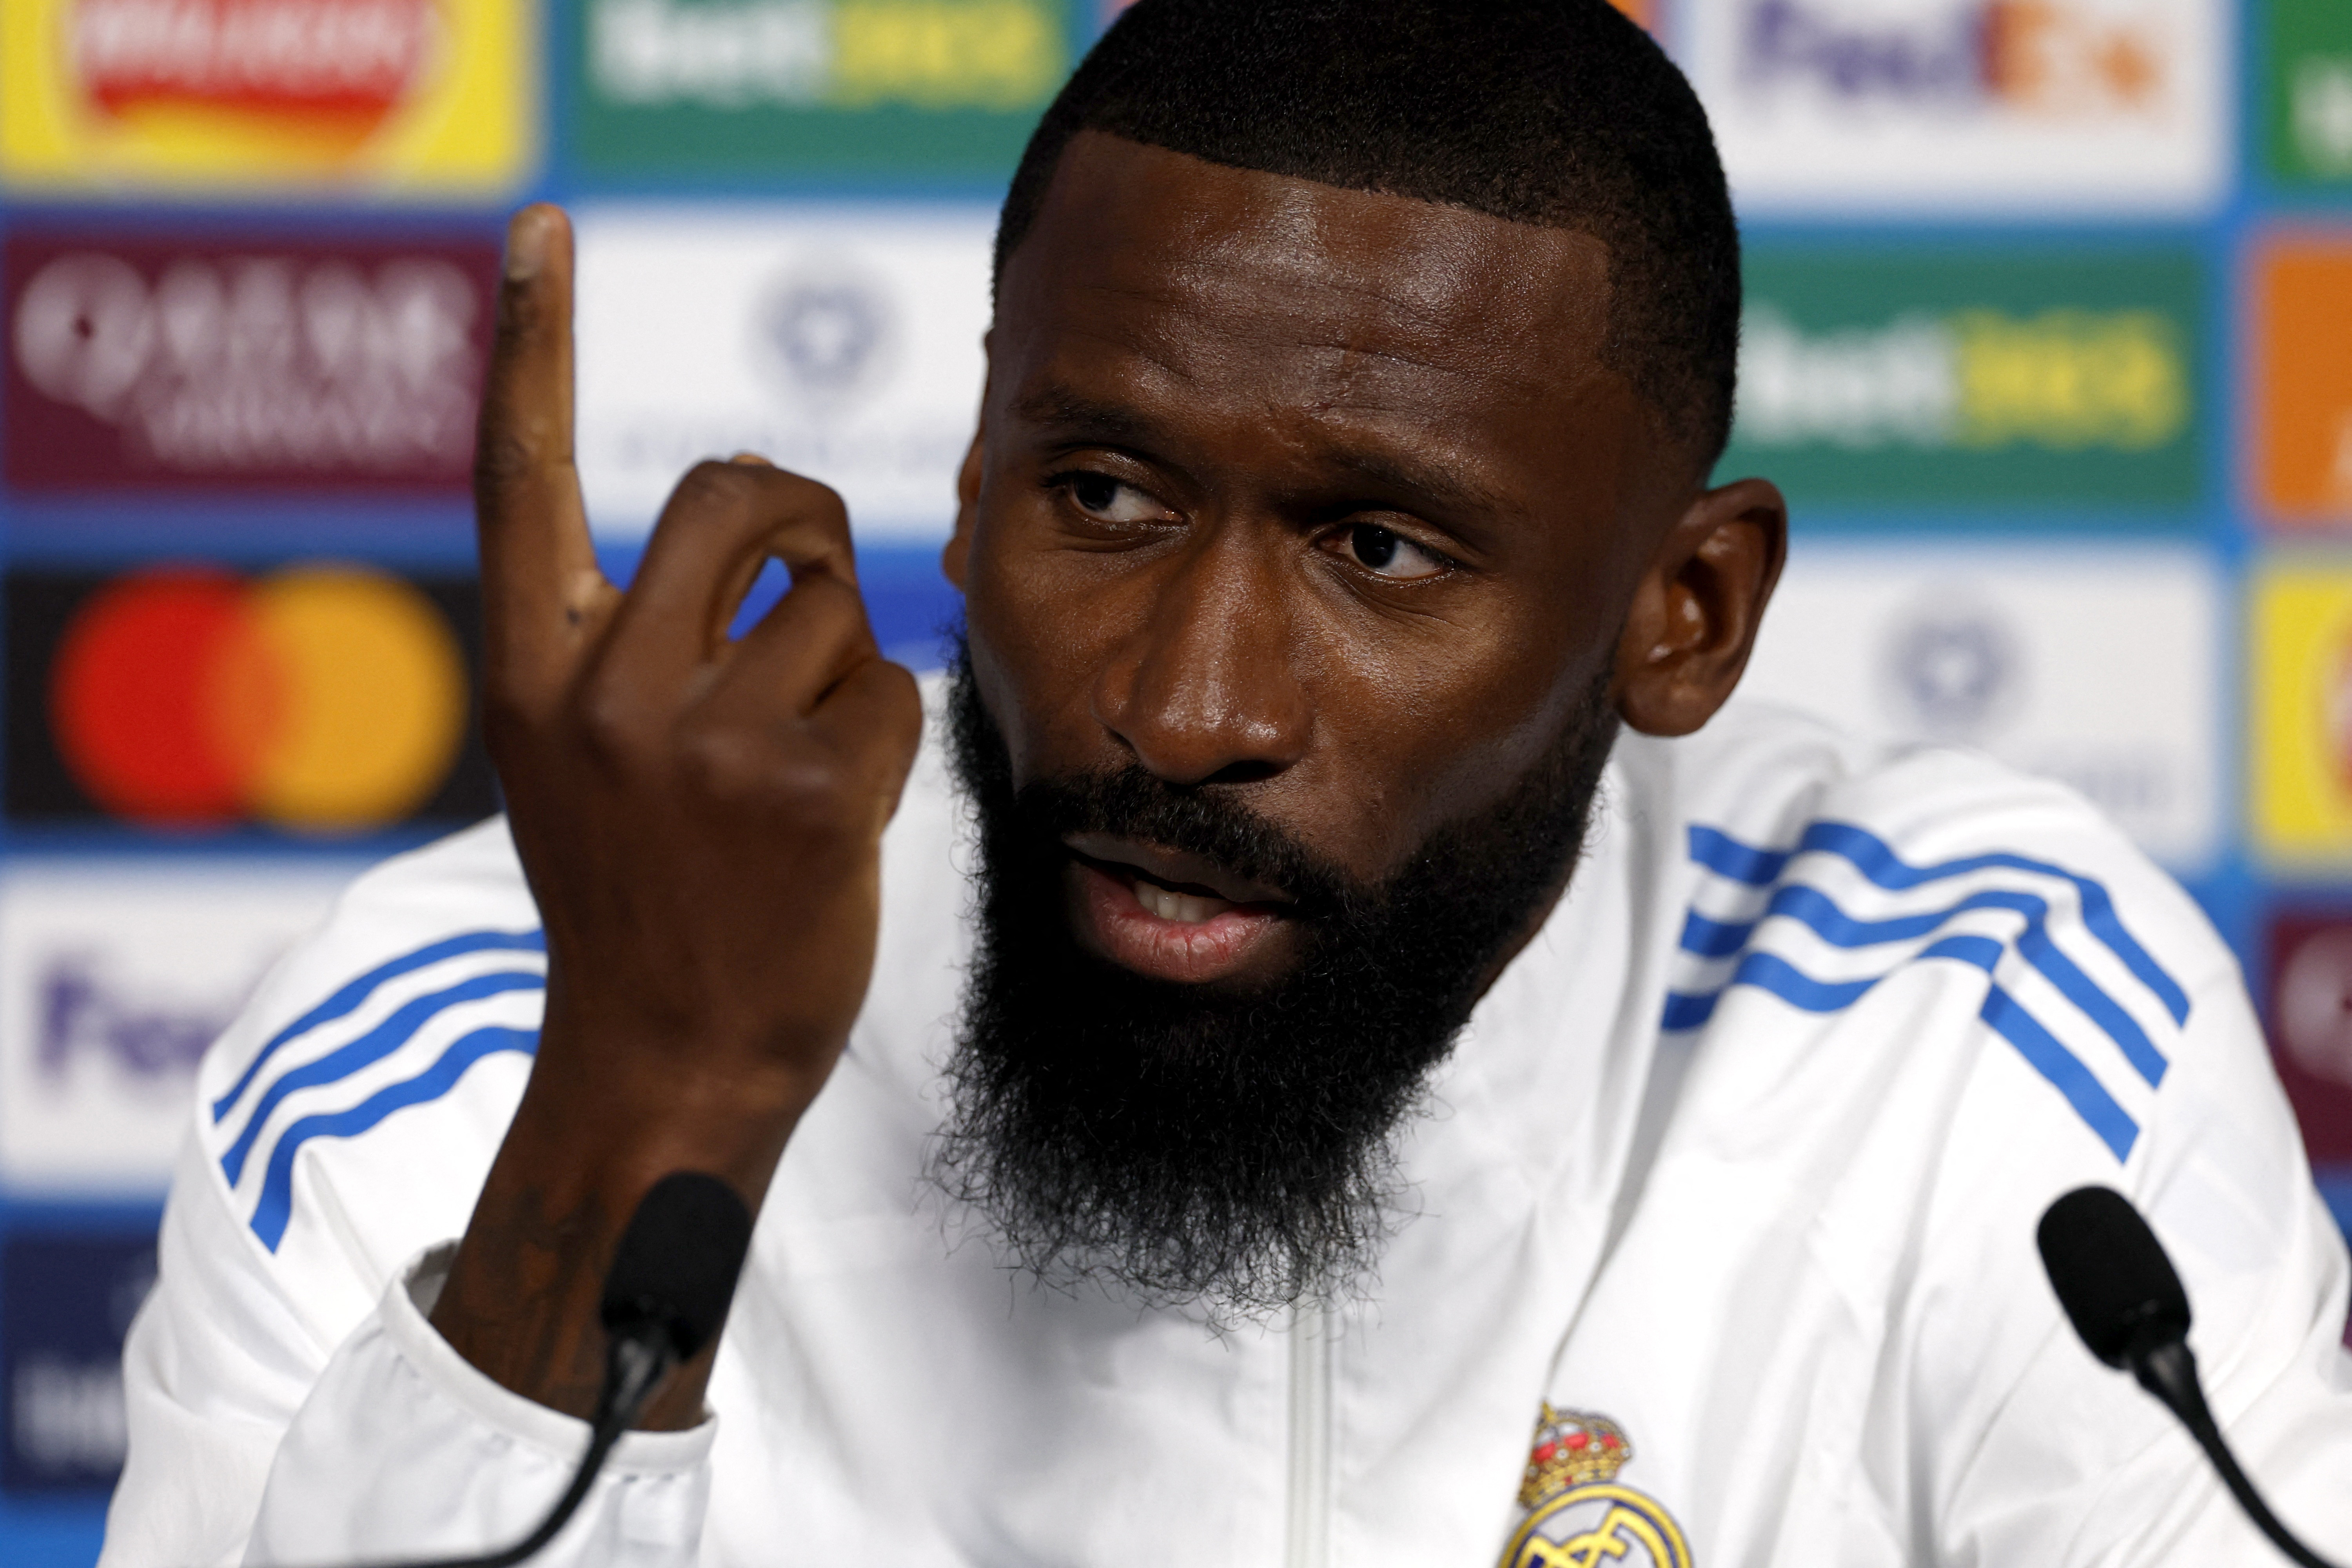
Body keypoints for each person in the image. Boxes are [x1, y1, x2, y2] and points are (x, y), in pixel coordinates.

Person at [100, 2, 2352, 1565]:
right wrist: (643, 1105)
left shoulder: (1975, 1027)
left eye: (1380, 551)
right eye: (1102, 494)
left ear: (1687, 613)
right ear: (966, 487)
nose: (1184, 712)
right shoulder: (461, 1038)